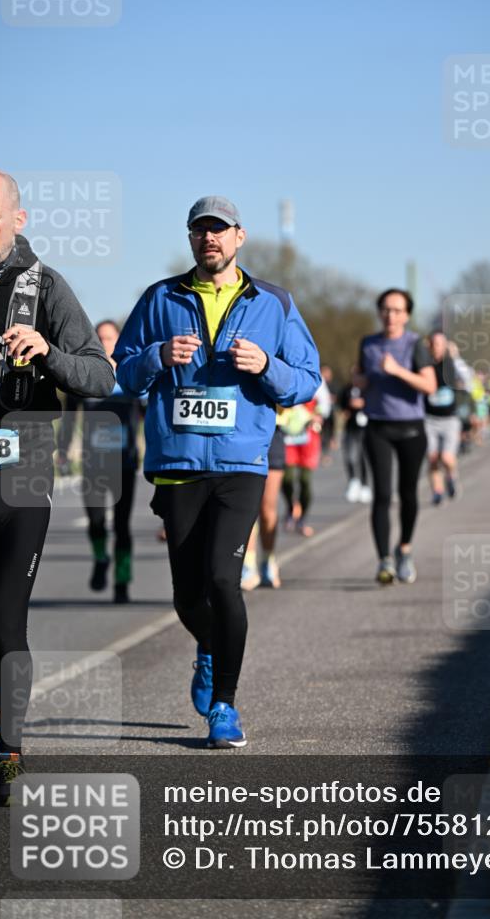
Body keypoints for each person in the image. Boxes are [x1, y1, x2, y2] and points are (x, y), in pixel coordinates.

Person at [113, 196, 319, 748]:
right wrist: (157, 356)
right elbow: (122, 373)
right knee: (188, 597)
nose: (210, 238)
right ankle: (208, 646)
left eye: (219, 230)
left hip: (240, 463)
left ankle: (224, 706)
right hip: (179, 464)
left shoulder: (274, 302)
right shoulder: (160, 298)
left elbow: (308, 379)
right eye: (200, 230)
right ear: (190, 239)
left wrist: (267, 367)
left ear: (239, 237)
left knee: (225, 580)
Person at [0, 169, 114, 801]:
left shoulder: (46, 287)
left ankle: (10, 749)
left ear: (17, 220)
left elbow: (101, 377)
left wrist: (48, 353)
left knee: (4, 620)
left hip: (23, 469)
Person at [57, 320, 146, 603]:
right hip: (93, 462)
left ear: (119, 341)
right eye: (101, 338)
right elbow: (69, 419)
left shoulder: (131, 377)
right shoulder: (83, 377)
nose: (105, 343)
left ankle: (122, 581)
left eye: (110, 338)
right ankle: (100, 558)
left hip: (124, 463)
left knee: (121, 526)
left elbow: (150, 415)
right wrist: (62, 451)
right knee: (96, 522)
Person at [358, 289, 436, 585]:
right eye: (386, 309)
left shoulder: (416, 344)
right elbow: (362, 378)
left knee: (407, 493)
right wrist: (359, 381)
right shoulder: (368, 343)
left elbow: (429, 385)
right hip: (378, 426)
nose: (390, 315)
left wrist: (397, 371)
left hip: (411, 428)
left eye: (397, 310)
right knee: (381, 494)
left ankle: (404, 549)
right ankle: (384, 561)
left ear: (407, 315)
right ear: (379, 312)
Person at [424, 333, 473, 505]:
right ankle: (437, 492)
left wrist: (456, 357)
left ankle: (451, 476)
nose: (436, 347)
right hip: (429, 418)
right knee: (432, 458)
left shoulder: (452, 365)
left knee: (446, 458)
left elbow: (468, 380)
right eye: (434, 344)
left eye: (440, 344)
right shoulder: (425, 364)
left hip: (450, 419)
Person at [240, 413, 286, 591]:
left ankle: (268, 560)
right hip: (243, 433)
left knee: (267, 509)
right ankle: (248, 565)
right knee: (247, 508)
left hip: (271, 433)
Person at [281, 381, 331, 537]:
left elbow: (324, 403)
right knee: (287, 479)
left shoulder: (316, 376)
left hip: (309, 435)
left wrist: (319, 415)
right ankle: (291, 508)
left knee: (305, 480)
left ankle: (302, 519)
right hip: (288, 434)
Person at [339, 365, 372, 504]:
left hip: (365, 428)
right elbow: (342, 405)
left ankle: (365, 484)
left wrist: (363, 404)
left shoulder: (368, 389)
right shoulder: (347, 390)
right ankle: (353, 481)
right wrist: (348, 407)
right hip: (351, 427)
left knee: (363, 456)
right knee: (350, 456)